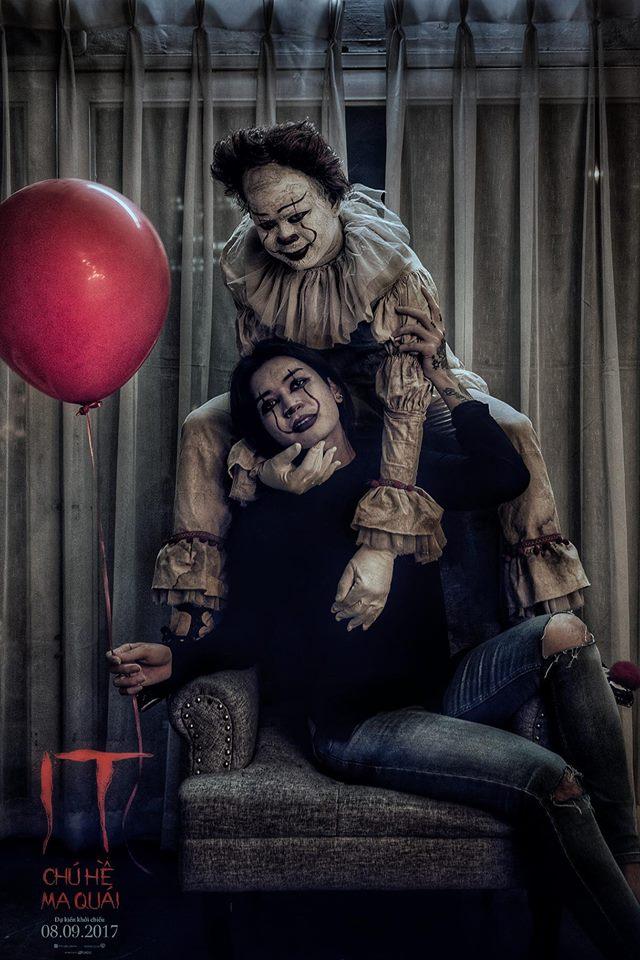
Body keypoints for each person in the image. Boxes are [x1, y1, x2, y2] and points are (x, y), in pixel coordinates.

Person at [110, 314, 640, 959]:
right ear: (264, 428)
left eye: (298, 383)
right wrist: (178, 658)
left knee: (564, 632)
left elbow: (503, 475)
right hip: (360, 728)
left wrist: (443, 378)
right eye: (269, 404)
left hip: (443, 688)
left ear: (335, 389)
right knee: (552, 779)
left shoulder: (398, 471)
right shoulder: (270, 511)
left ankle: (627, 857)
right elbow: (255, 629)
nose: (288, 405)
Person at [150, 119, 589, 669]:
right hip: (315, 390)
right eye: (266, 223)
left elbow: (405, 403)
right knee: (200, 425)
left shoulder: (389, 265)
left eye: (297, 215)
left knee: (515, 430)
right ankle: (193, 618)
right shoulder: (249, 265)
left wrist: (381, 541)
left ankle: (544, 622)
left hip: (403, 383)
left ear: (332, 199)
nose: (284, 235)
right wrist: (262, 466)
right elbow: (261, 373)